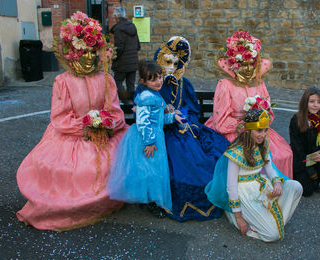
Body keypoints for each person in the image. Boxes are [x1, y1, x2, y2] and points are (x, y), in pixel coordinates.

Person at [16, 11, 129, 231]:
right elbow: (60, 117)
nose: (88, 56)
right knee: (68, 171)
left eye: (92, 51)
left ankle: (107, 202)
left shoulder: (106, 79)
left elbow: (114, 111)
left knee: (118, 160)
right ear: (73, 52)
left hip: (103, 134)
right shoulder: (63, 81)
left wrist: (105, 124)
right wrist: (85, 127)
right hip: (71, 137)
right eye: (83, 51)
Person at [144, 36, 230, 221]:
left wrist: (182, 117)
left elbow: (192, 111)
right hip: (159, 132)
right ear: (159, 59)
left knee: (208, 157)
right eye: (167, 61)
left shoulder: (183, 84)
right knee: (176, 161)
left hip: (182, 129)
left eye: (175, 63)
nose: (171, 67)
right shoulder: (152, 83)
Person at [205, 107, 302, 242]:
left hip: (260, 185)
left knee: (296, 187)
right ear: (249, 130)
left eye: (265, 130)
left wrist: (277, 182)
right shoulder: (236, 151)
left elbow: (269, 168)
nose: (263, 135)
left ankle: (269, 220)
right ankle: (242, 218)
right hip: (244, 193)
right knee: (273, 235)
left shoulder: (262, 145)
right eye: (259, 130)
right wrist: (239, 218)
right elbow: (231, 187)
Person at [205, 31, 293, 178]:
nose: (247, 68)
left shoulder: (259, 83)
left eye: (251, 63)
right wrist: (245, 126)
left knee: (282, 154)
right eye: (242, 64)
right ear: (234, 63)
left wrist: (259, 122)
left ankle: (273, 193)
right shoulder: (225, 85)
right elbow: (220, 122)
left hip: (259, 131)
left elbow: (269, 113)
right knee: (242, 156)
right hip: (232, 133)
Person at [107, 60, 183, 217]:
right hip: (146, 138)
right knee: (150, 171)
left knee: (154, 170)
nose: (158, 82)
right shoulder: (146, 97)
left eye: (160, 77)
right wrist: (149, 142)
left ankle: (151, 200)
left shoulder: (155, 95)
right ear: (143, 81)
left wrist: (173, 117)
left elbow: (159, 118)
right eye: (153, 79)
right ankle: (150, 201)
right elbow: (142, 122)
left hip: (155, 136)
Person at [289, 87, 320, 197]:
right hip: (301, 159)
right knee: (307, 192)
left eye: (319, 102)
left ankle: (315, 178)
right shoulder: (296, 120)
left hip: (316, 158)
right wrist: (307, 165)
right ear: (305, 102)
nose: (316, 105)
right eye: (312, 101)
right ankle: (309, 176)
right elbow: (296, 146)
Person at [110, 7, 141, 103]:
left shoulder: (119, 29)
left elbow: (119, 48)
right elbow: (138, 46)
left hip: (122, 62)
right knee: (130, 84)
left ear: (116, 17)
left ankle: (126, 101)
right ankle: (132, 104)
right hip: (133, 62)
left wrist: (113, 58)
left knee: (117, 81)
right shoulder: (132, 26)